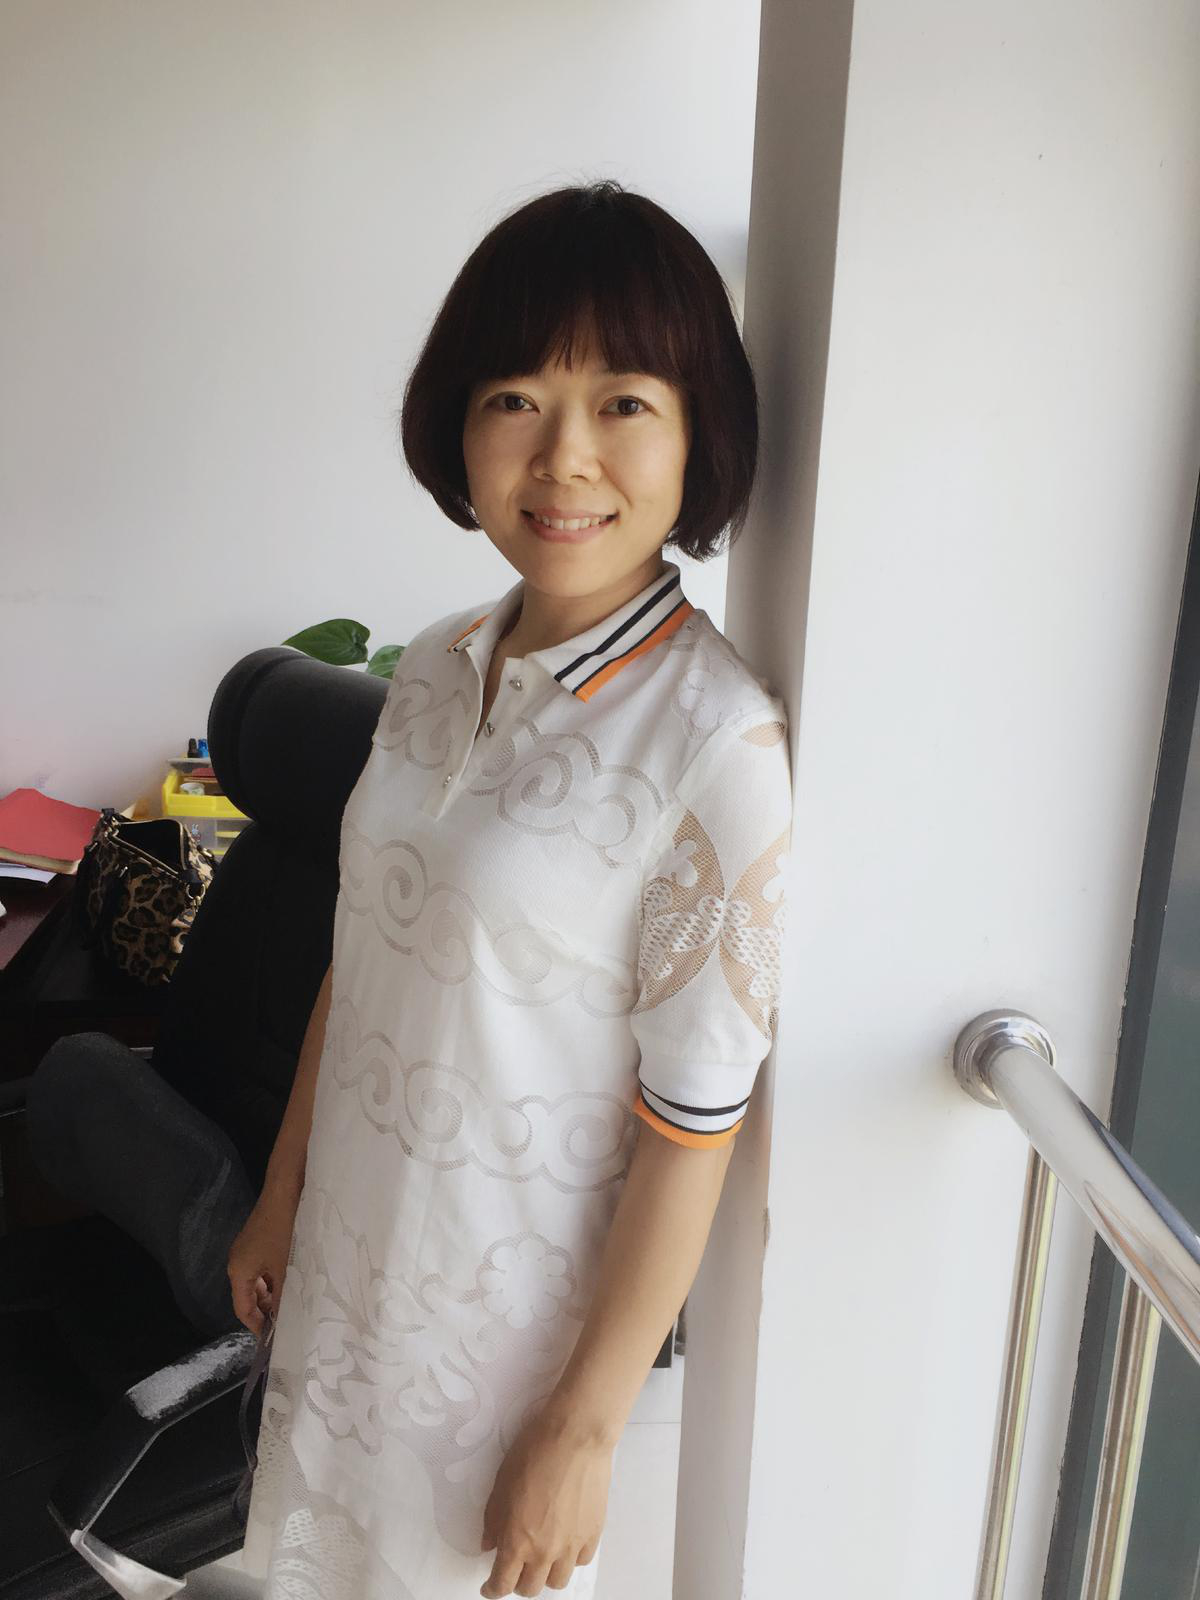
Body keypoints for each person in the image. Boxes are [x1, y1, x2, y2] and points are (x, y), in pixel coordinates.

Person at [228, 179, 793, 1600]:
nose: (563, 457)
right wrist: (283, 1193)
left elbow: (694, 1126)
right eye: (516, 400)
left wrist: (583, 1430)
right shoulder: (433, 664)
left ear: (698, 430)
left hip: (497, 1358)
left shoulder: (713, 745)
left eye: (623, 402)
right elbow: (365, 956)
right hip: (346, 1283)